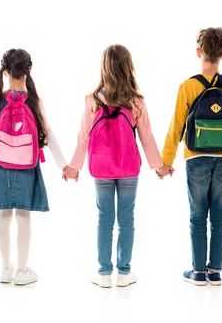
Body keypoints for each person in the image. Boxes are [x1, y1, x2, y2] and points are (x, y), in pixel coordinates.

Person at [64, 44, 172, 288]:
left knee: (104, 218)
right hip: (128, 167)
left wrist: (74, 167)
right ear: (128, 67)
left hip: (101, 167)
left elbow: (83, 137)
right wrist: (159, 166)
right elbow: (147, 137)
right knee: (126, 218)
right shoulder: (136, 102)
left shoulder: (92, 100)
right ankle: (124, 273)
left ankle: (103, 273)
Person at [0, 49, 66, 286]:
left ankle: (6, 269)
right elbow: (49, 133)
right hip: (27, 165)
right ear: (28, 71)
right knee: (23, 214)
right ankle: (23, 271)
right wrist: (63, 165)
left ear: (5, 72)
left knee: (4, 214)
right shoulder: (34, 101)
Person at [161, 27, 222, 286]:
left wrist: (166, 161)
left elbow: (176, 127)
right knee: (220, 216)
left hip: (195, 158)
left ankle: (197, 272)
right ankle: (215, 271)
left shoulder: (188, 87)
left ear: (198, 52)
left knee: (198, 215)